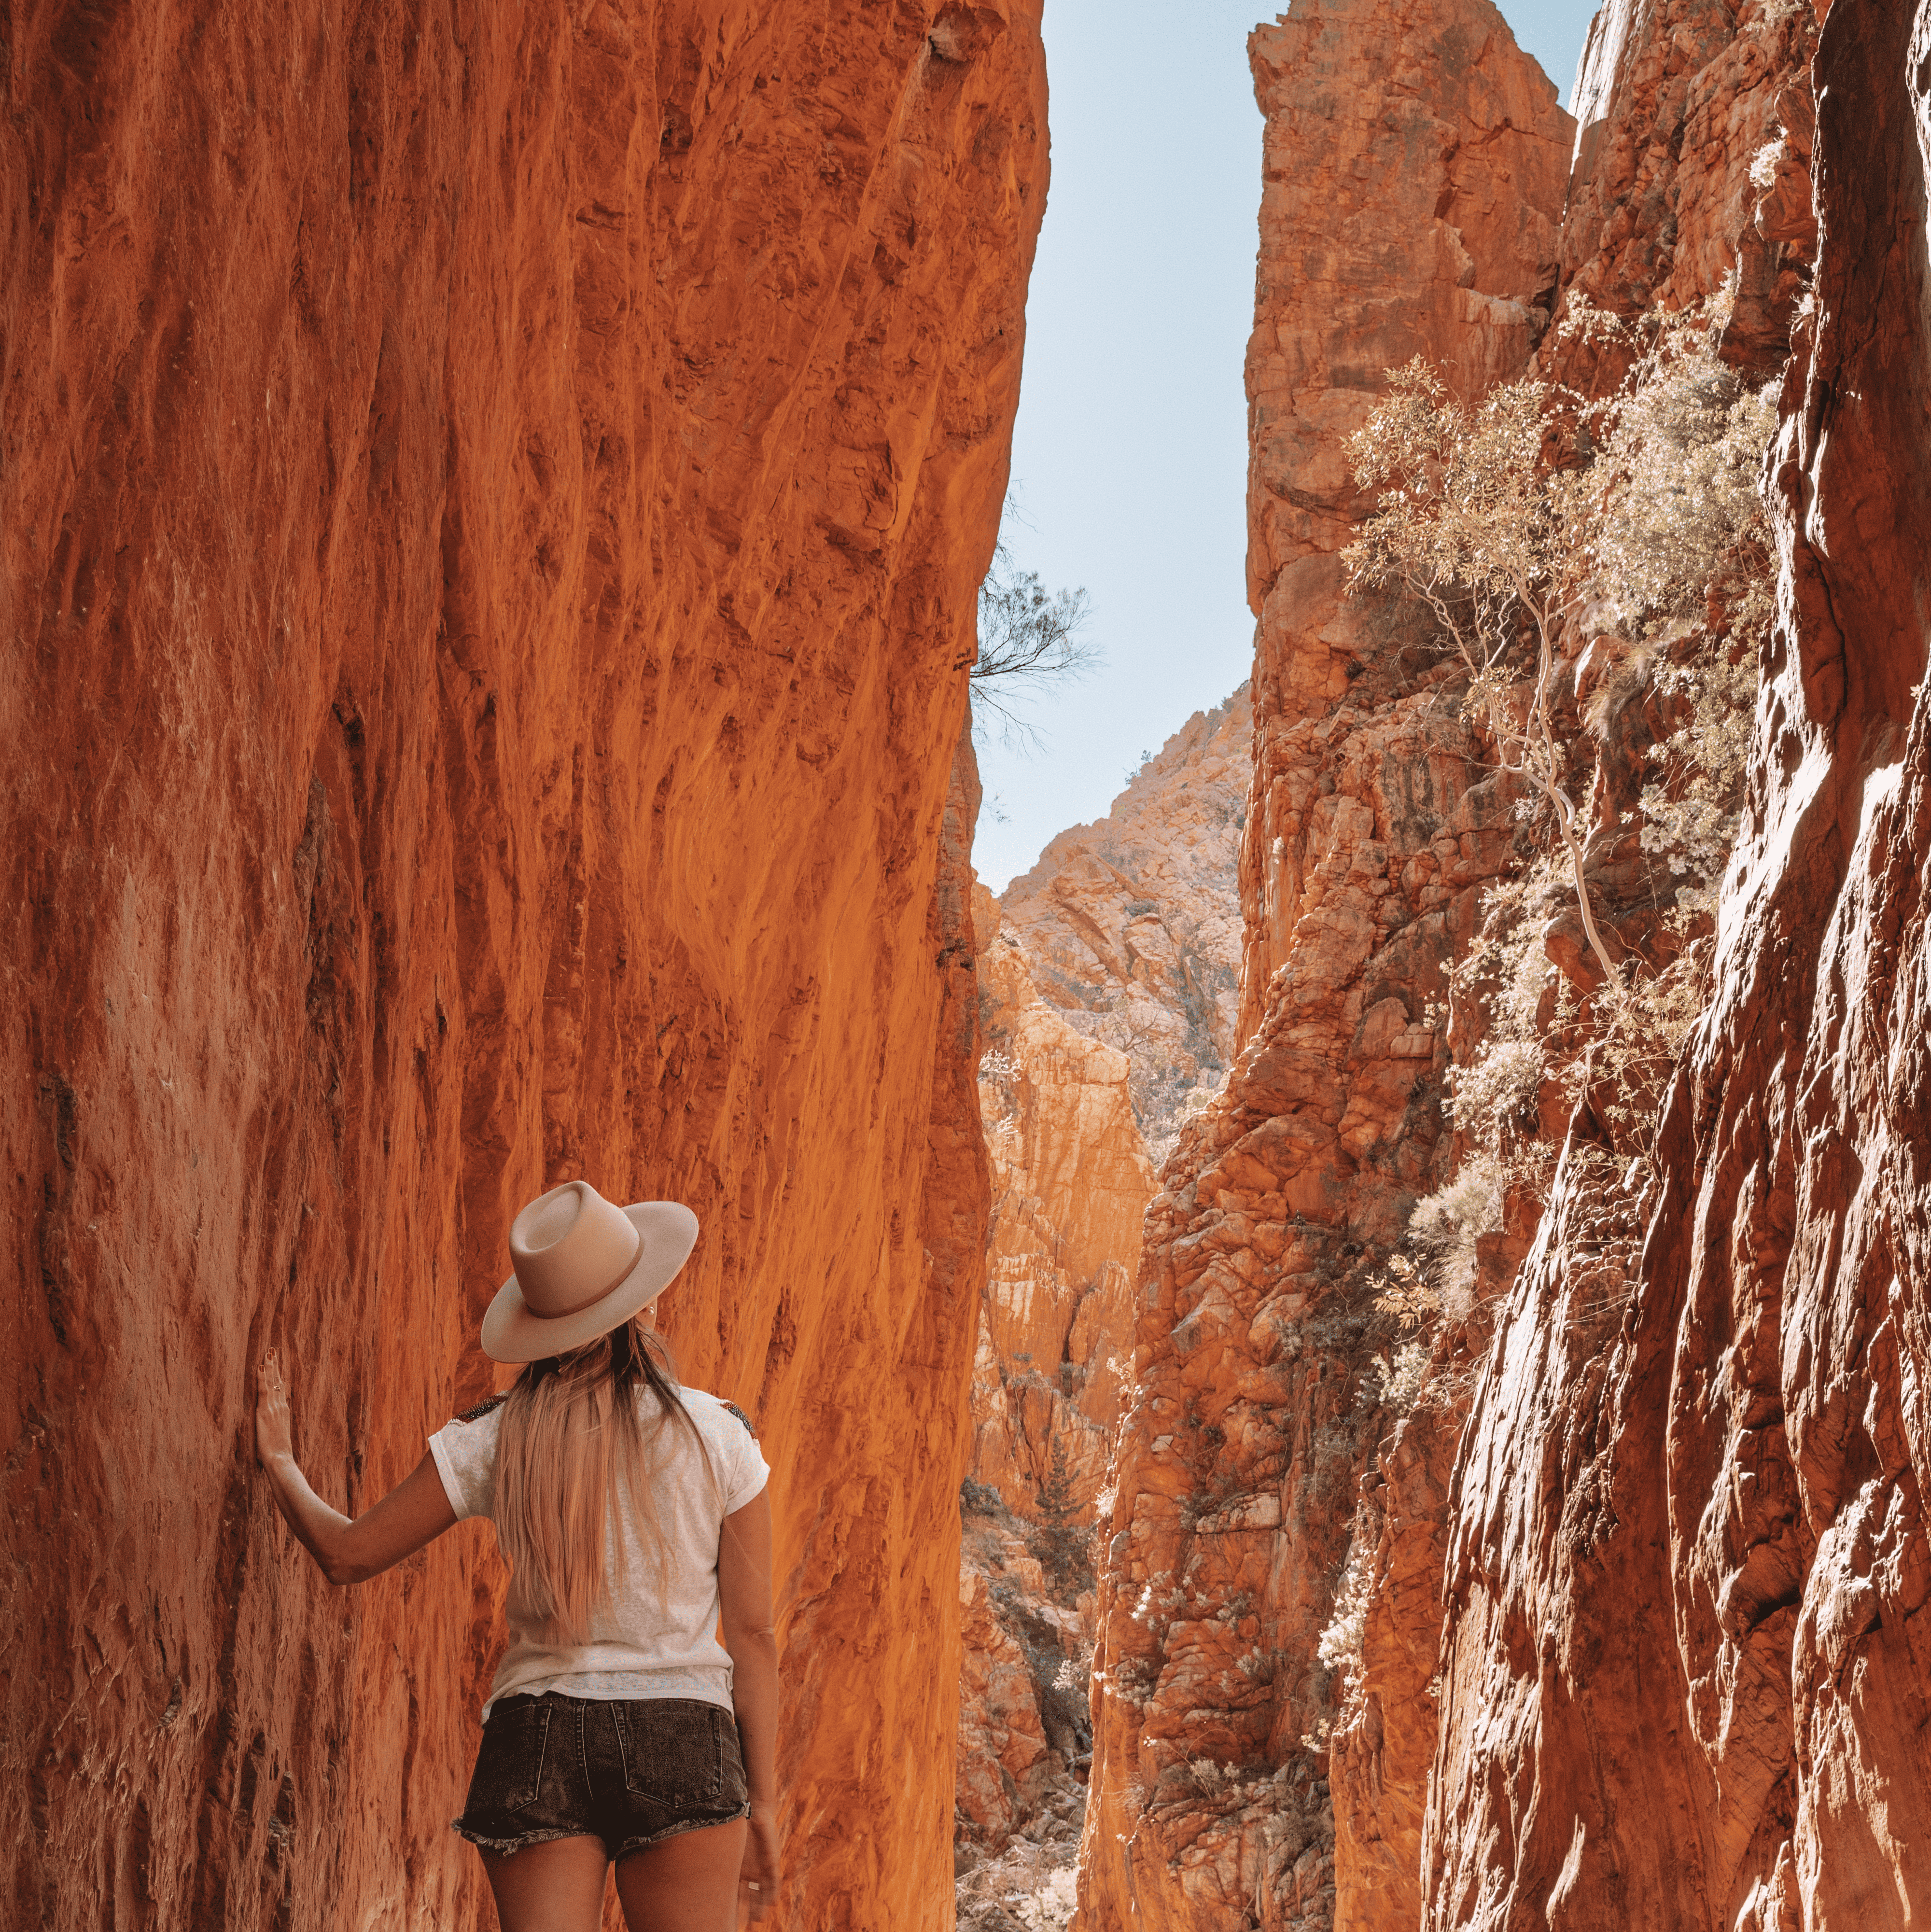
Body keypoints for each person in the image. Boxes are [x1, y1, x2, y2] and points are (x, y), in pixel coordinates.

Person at [254, 1179, 780, 1931]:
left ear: (540, 1325)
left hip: (537, 1739)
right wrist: (765, 1802)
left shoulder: (498, 1436)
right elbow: (754, 1635)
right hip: (684, 1737)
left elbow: (348, 1554)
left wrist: (280, 1463)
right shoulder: (718, 1435)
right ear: (645, 1305)